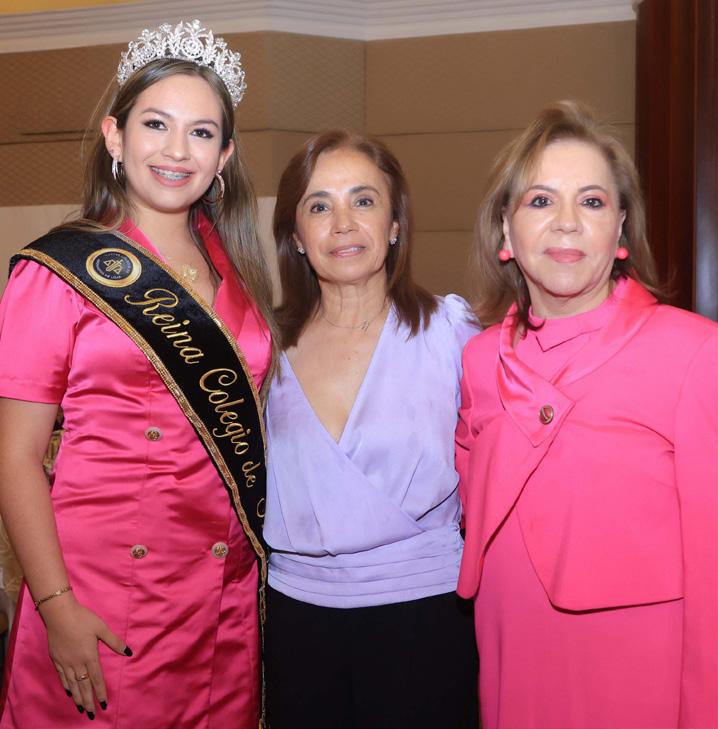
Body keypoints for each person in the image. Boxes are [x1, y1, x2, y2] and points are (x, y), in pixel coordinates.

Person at [0, 19, 274, 728]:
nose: (177, 150)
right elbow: (15, 456)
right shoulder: (56, 272)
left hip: (221, 599)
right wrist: (56, 605)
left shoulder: (235, 271)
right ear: (115, 138)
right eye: (156, 124)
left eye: (202, 132)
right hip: (102, 592)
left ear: (224, 155)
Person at [457, 100, 717, 729]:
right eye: (541, 201)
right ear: (505, 232)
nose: (567, 223)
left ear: (621, 230)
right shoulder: (478, 360)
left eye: (592, 202)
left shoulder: (693, 353)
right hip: (513, 664)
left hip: (642, 678)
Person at [262, 130, 480, 728]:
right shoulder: (261, 349)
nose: (343, 224)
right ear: (295, 236)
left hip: (428, 619)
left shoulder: (451, 333)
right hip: (297, 622)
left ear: (395, 223)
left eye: (363, 200)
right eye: (319, 206)